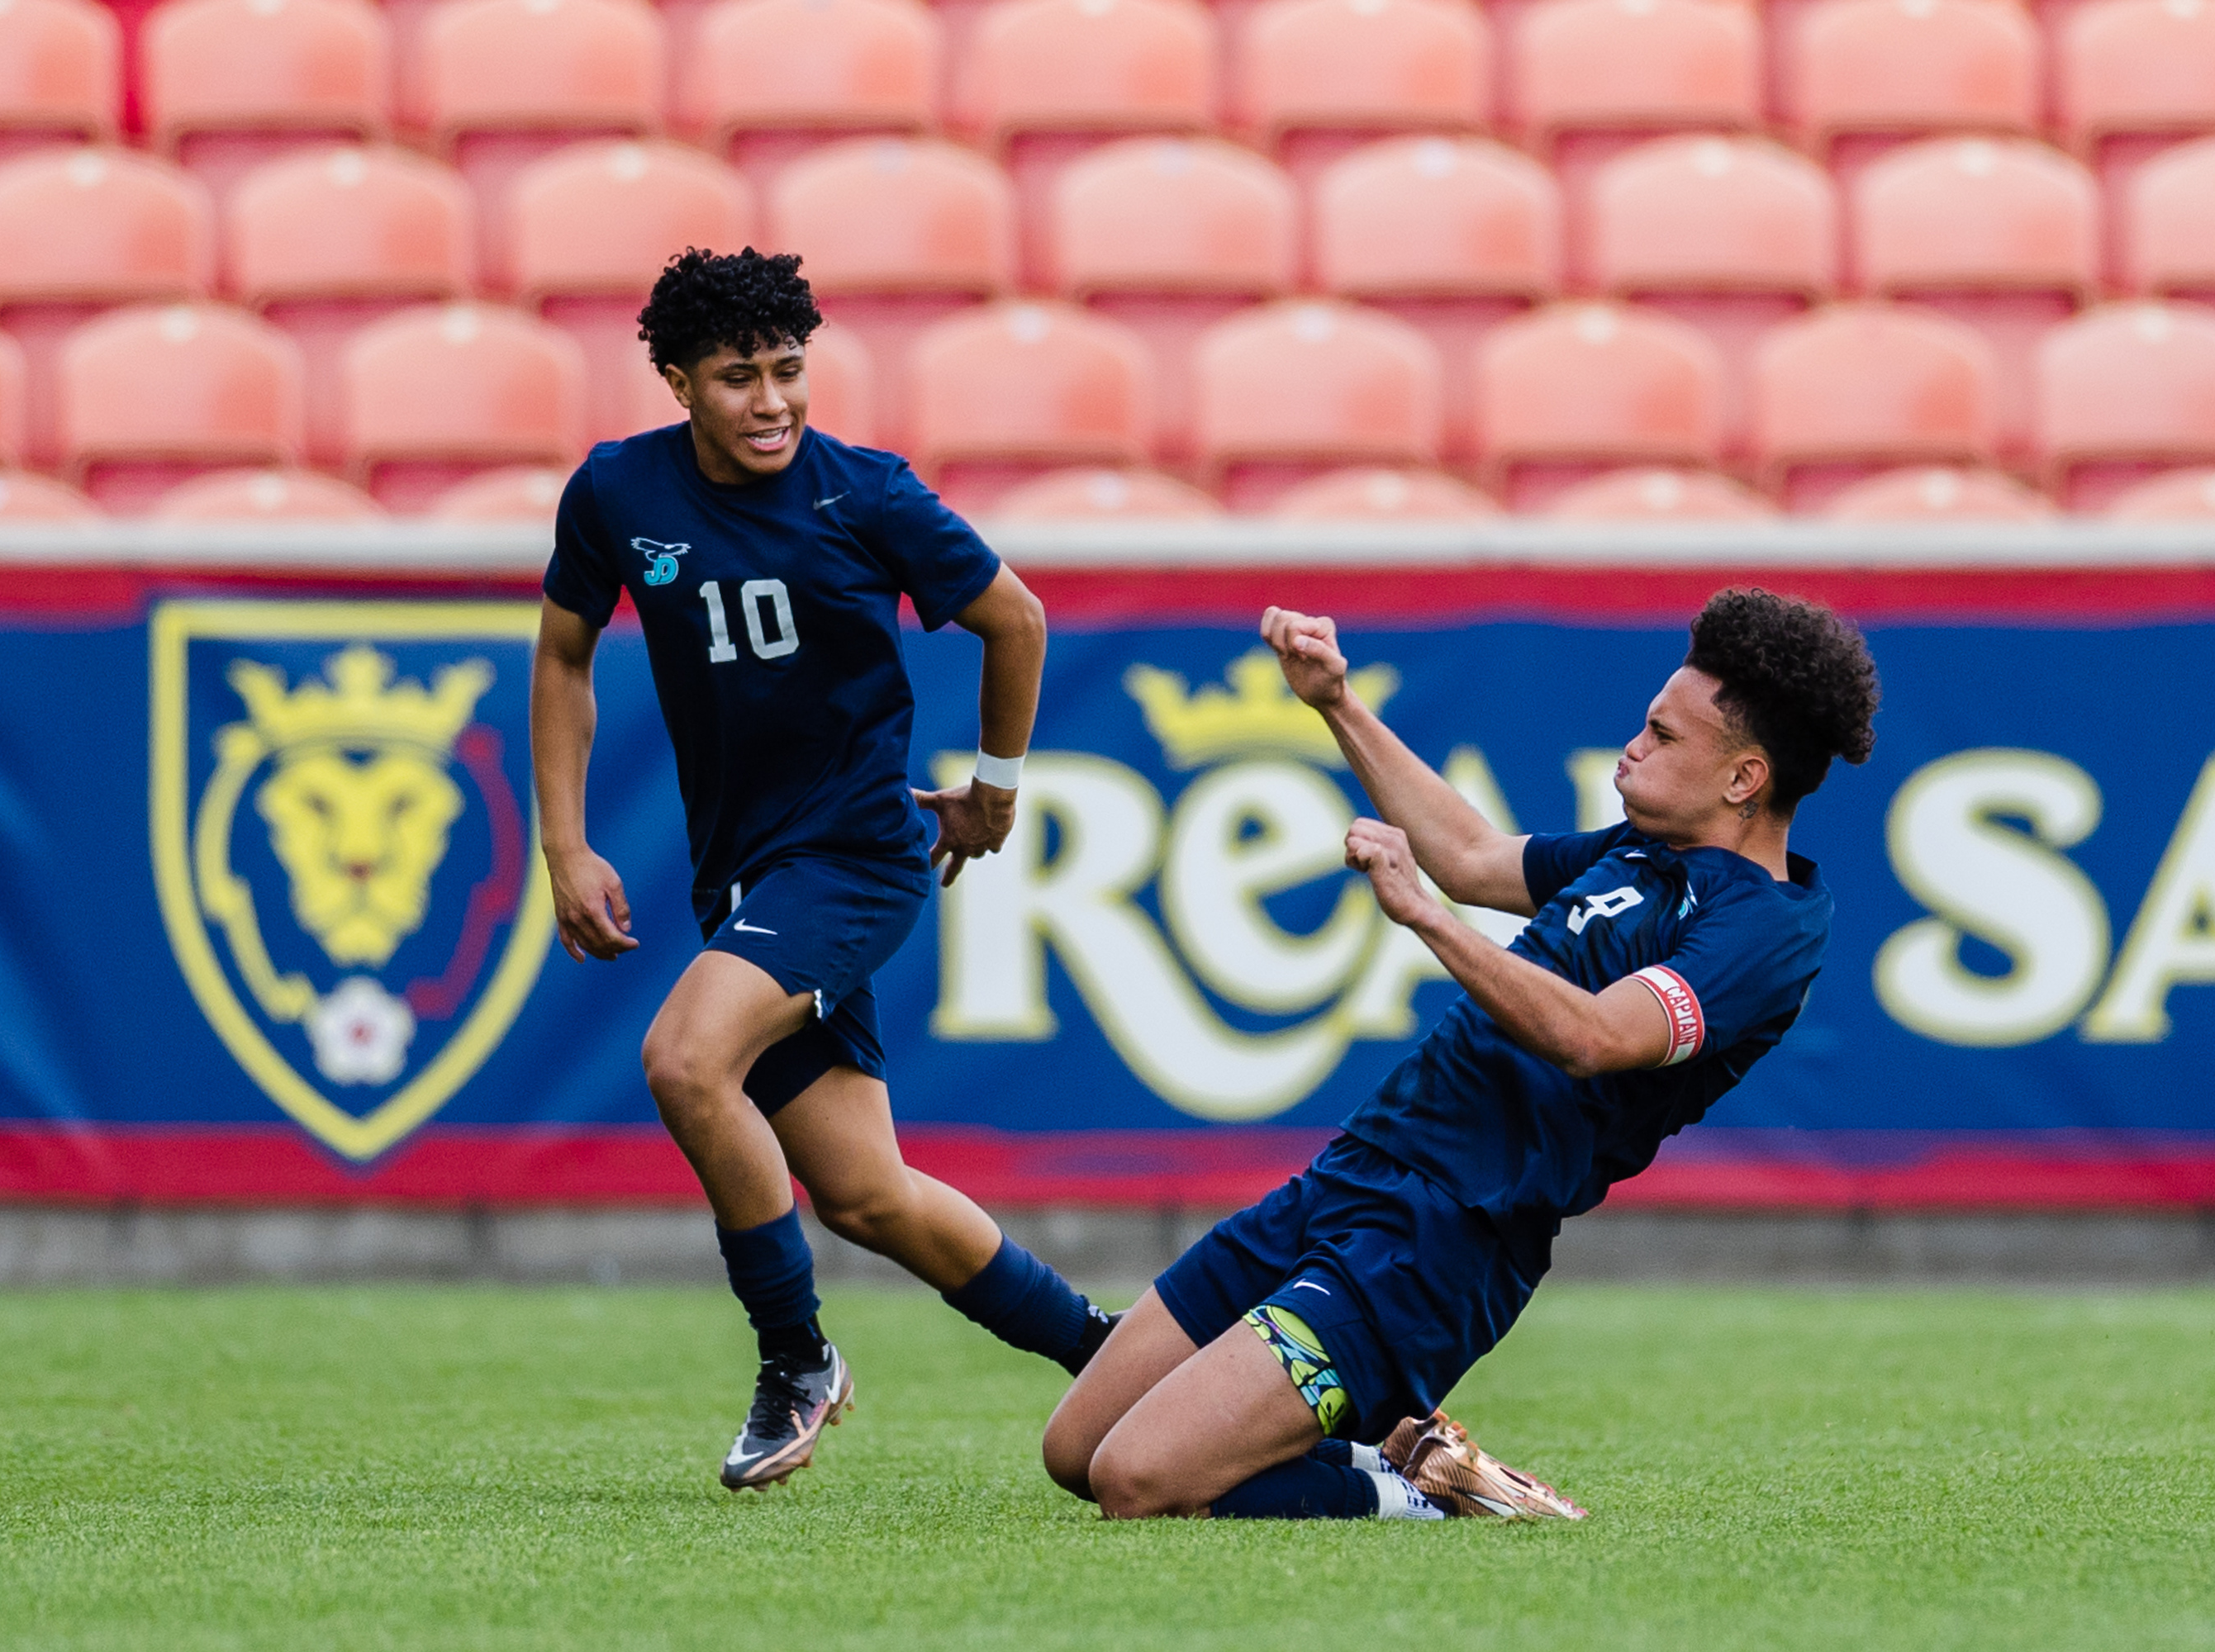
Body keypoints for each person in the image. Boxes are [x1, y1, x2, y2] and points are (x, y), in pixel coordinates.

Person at [1041, 588, 1880, 1521]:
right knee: (1076, 1450)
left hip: (1447, 1238)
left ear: (1743, 779)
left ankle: (1418, 1490)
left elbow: (1595, 1036)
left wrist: (1426, 919)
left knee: (1138, 1481)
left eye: (1662, 734)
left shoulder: (1760, 928)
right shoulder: (1641, 850)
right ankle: (1401, 1445)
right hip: (1357, 1171)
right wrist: (1334, 701)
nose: (1633, 746)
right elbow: (1473, 854)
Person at [531, 248, 1115, 1493]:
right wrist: (565, 841)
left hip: (853, 856)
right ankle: (1115, 1359)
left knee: (687, 1060)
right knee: (866, 1197)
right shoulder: (615, 493)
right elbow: (566, 655)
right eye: (738, 377)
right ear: (678, 381)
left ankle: (795, 1359)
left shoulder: (868, 496)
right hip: (743, 875)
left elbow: (1016, 617)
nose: (772, 402)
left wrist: (996, 789)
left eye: (789, 370)